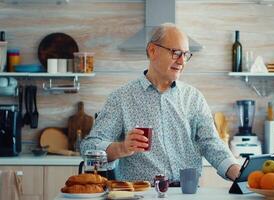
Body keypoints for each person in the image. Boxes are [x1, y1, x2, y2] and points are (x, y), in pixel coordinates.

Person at [80, 23, 241, 183]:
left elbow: (210, 142)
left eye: (185, 55)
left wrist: (236, 171)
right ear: (152, 50)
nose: (181, 61)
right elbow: (88, 147)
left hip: (186, 193)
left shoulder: (194, 98)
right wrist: (121, 148)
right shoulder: (121, 98)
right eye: (176, 53)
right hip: (141, 194)